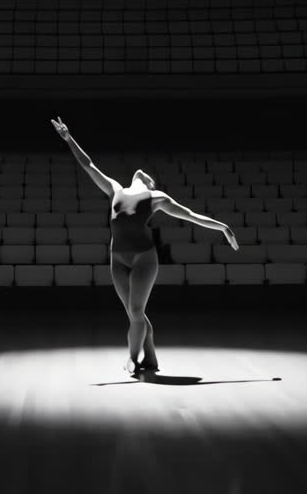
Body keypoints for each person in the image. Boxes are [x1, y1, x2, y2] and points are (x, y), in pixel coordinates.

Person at [51, 116, 239, 375]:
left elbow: (191, 215)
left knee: (137, 310)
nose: (143, 174)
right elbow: (88, 164)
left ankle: (132, 358)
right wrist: (69, 138)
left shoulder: (156, 197)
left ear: (151, 184)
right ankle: (151, 359)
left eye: (150, 179)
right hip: (117, 258)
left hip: (144, 258)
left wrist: (223, 227)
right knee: (133, 314)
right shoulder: (114, 188)